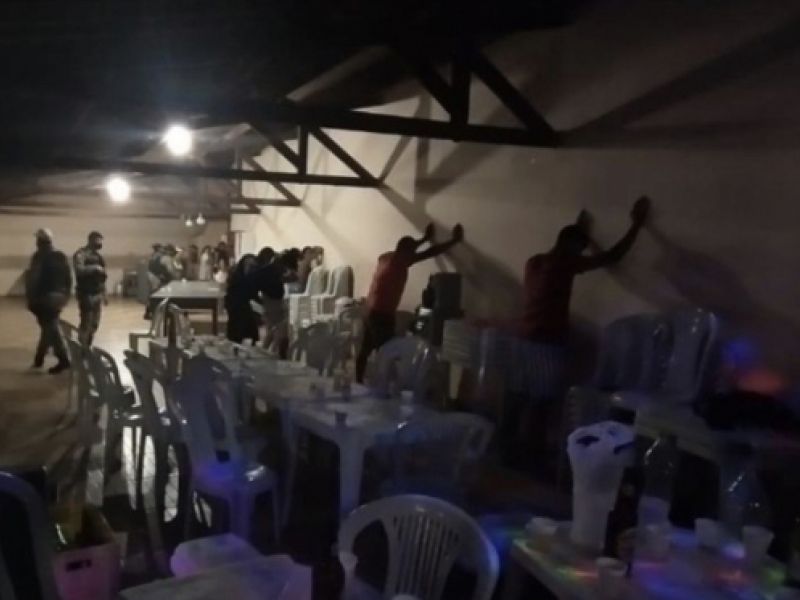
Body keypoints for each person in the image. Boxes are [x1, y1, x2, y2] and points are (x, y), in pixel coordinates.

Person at [355, 223, 464, 382]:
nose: (413, 255)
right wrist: (453, 241)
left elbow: (408, 249)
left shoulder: (386, 257)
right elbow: (430, 252)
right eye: (411, 252)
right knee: (389, 352)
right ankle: (389, 386)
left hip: (370, 309)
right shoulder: (398, 262)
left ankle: (358, 381)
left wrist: (424, 239)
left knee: (366, 350)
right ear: (406, 253)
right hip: (382, 314)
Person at [25, 229, 72, 373]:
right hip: (59, 297)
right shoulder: (60, 256)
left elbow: (33, 279)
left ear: (39, 241)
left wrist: (31, 300)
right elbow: (69, 277)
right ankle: (39, 358)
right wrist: (66, 296)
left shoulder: (38, 256)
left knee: (51, 329)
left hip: (44, 299)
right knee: (48, 328)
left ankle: (64, 360)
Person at [73, 231, 107, 346]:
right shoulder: (81, 254)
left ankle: (87, 345)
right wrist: (94, 268)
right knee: (86, 322)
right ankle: (81, 347)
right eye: (98, 240)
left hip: (97, 294)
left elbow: (102, 277)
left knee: (94, 324)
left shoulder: (98, 257)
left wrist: (104, 293)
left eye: (101, 241)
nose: (100, 243)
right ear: (91, 240)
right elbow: (79, 270)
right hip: (86, 293)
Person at [224, 254, 260, 343]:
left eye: (252, 266)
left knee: (250, 327)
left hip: (245, 305)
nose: (250, 268)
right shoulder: (236, 276)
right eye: (248, 265)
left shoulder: (251, 276)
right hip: (235, 305)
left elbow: (253, 293)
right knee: (236, 331)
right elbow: (232, 292)